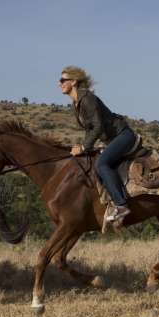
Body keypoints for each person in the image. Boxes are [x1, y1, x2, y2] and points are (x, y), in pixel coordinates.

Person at [60, 65, 136, 223]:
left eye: (62, 80)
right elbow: (90, 129)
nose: (59, 83)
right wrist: (84, 146)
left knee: (101, 164)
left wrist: (83, 147)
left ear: (73, 82)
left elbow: (98, 125)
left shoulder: (87, 98)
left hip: (122, 136)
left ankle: (121, 205)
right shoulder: (76, 104)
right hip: (110, 140)